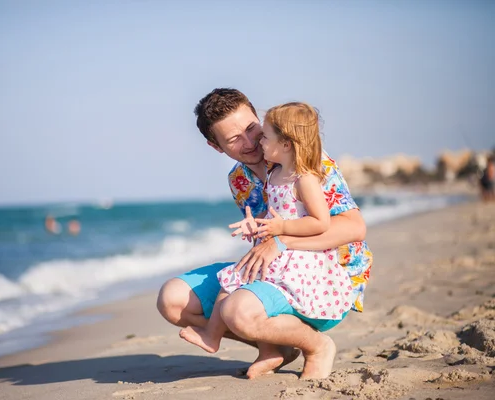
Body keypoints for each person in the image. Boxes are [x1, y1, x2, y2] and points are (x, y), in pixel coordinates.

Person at [157, 88, 373, 379]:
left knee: (237, 311)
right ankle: (277, 347)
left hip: (326, 276)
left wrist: (281, 241)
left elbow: (354, 227)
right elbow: (266, 234)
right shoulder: (238, 180)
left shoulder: (306, 160)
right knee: (172, 300)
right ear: (215, 146)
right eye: (234, 139)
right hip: (278, 270)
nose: (250, 142)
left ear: (258, 117)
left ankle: (315, 345)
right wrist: (260, 234)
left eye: (251, 128)